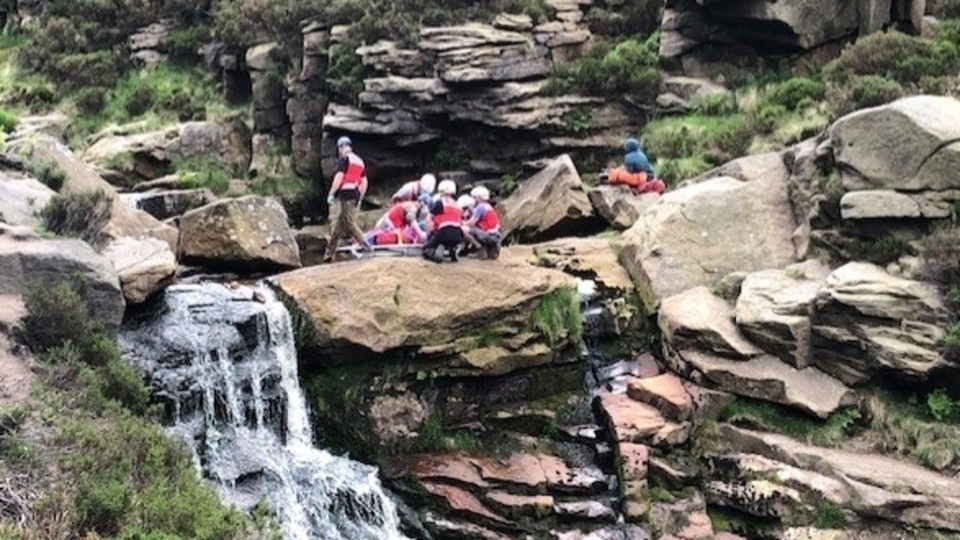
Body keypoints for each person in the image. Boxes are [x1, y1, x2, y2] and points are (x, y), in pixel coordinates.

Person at [323, 136, 373, 262]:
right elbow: (364, 182)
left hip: (346, 193)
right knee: (341, 223)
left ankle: (367, 247)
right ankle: (329, 252)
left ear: (341, 147)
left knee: (349, 222)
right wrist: (360, 197)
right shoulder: (360, 161)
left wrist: (331, 193)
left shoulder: (344, 159)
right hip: (355, 192)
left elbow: (339, 177)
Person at [422, 179, 464, 264]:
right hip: (458, 234)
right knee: (448, 238)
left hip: (444, 232)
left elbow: (429, 217)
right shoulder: (458, 205)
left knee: (426, 249)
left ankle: (435, 254)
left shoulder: (440, 202)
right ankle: (452, 249)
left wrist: (428, 232)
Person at [463, 186, 502, 260]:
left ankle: (480, 249)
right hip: (496, 236)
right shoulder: (489, 207)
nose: (474, 199)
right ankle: (492, 250)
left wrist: (461, 223)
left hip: (487, 235)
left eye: (475, 198)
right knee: (478, 229)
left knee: (463, 229)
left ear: (479, 198)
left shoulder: (480, 207)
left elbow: (471, 223)